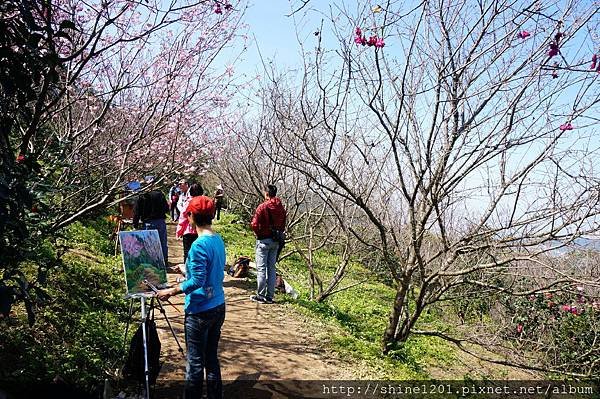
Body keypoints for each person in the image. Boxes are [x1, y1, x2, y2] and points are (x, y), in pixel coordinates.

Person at [157, 196, 226, 399]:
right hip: (218, 305)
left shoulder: (197, 245)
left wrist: (171, 291)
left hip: (200, 311)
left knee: (195, 362)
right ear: (212, 216)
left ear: (191, 216)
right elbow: (211, 270)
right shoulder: (218, 239)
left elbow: (197, 281)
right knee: (211, 358)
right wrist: (187, 268)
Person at [250, 184, 286, 304]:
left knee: (261, 269)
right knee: (271, 269)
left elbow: (254, 224)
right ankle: (270, 296)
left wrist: (259, 233)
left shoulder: (262, 207)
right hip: (275, 241)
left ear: (266, 193)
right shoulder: (281, 208)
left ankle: (260, 295)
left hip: (263, 240)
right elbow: (283, 224)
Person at [133, 189, 170, 263]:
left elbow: (136, 212)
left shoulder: (142, 196)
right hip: (160, 222)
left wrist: (135, 224)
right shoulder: (160, 194)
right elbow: (166, 208)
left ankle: (151, 262)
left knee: (149, 244)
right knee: (162, 242)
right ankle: (164, 261)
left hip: (148, 223)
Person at [176, 183, 204, 264]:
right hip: (201, 230)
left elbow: (183, 218)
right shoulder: (204, 201)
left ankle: (188, 271)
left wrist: (179, 231)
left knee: (187, 252)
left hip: (188, 231)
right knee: (199, 252)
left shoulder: (189, 202)